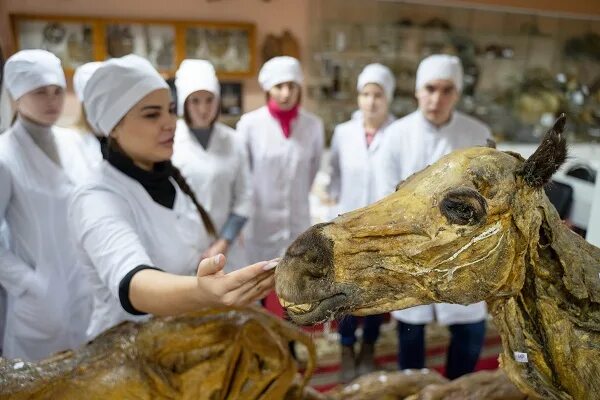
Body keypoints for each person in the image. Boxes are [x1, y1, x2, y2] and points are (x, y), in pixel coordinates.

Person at [69, 54, 276, 339]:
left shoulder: (167, 179)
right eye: (152, 114)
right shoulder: (96, 197)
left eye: (169, 110)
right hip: (128, 353)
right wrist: (203, 292)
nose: (170, 123)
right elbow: (134, 284)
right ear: (113, 126)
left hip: (178, 338)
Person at [380, 54, 491, 379]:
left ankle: (458, 388)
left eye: (446, 91)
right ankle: (413, 387)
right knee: (411, 334)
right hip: (414, 251)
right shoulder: (396, 136)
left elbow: (489, 196)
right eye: (430, 89)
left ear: (457, 94)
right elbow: (386, 202)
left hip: (464, 254)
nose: (436, 98)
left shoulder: (478, 133)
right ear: (417, 91)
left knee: (470, 331)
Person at [0, 49, 92, 360]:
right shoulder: (5, 155)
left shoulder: (75, 142)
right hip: (38, 299)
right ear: (16, 96)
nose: (52, 100)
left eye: (57, 91)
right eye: (40, 92)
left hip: (82, 289)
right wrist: (28, 283)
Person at [327, 63, 396, 382]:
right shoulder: (343, 133)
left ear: (388, 98)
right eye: (365, 94)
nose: (371, 101)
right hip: (348, 227)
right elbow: (335, 177)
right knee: (344, 293)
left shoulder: (398, 133)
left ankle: (368, 348)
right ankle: (345, 348)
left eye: (378, 95)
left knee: (374, 295)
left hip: (385, 230)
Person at [237, 56, 324, 263]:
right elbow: (243, 177)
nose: (286, 93)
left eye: (291, 86)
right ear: (268, 89)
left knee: (296, 285)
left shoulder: (313, 125)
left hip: (298, 223)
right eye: (279, 86)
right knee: (260, 286)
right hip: (260, 225)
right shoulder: (249, 125)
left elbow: (312, 170)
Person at [172, 59, 252, 273]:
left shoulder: (233, 141)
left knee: (233, 304)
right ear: (184, 103)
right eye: (195, 101)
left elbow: (244, 198)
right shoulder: (170, 141)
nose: (203, 109)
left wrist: (223, 242)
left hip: (227, 249)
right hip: (182, 249)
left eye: (209, 100)